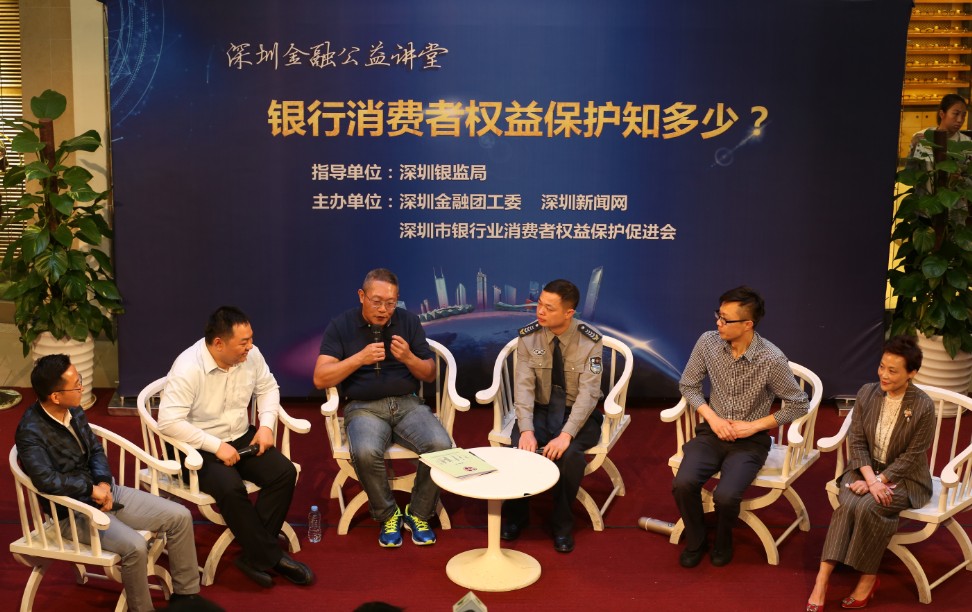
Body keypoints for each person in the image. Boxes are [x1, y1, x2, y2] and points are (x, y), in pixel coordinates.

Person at [15, 355, 222, 612]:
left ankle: (186, 596)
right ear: (55, 396)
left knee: (179, 517)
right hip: (72, 511)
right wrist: (90, 490)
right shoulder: (30, 432)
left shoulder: (74, 410)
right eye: (76, 385)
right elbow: (46, 480)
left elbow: (95, 451)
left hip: (104, 492)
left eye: (79, 380)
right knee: (135, 547)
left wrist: (103, 483)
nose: (81, 387)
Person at [158, 306, 314, 588]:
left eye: (251, 339)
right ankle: (272, 557)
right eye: (243, 342)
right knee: (230, 487)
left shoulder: (251, 355)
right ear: (219, 343)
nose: (250, 347)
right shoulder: (188, 367)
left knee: (284, 473)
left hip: (240, 435)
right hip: (194, 445)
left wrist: (266, 426)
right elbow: (168, 422)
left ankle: (254, 556)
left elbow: (268, 388)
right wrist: (215, 446)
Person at [313, 268, 453, 547]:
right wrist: (359, 359)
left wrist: (409, 357)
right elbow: (320, 378)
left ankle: (418, 513)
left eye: (390, 303)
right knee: (365, 452)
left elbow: (429, 374)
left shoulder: (408, 321)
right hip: (363, 407)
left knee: (441, 446)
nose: (383, 310)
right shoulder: (341, 325)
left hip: (407, 403)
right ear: (361, 296)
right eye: (376, 302)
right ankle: (388, 514)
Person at [673, 286, 808, 568]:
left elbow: (799, 404)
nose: (718, 323)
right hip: (712, 432)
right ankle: (696, 540)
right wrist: (712, 418)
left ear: (748, 324)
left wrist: (753, 426)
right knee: (683, 484)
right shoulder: (708, 343)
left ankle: (723, 541)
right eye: (718, 315)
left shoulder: (771, 358)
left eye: (726, 319)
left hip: (750, 440)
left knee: (725, 496)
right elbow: (688, 385)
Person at [805, 336, 934, 612]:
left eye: (893, 371)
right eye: (882, 367)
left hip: (906, 478)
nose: (883, 375)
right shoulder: (867, 393)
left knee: (869, 506)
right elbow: (857, 441)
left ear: (912, 373)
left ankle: (867, 578)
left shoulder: (923, 406)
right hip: (865, 469)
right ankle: (822, 579)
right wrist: (870, 479)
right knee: (849, 504)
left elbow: (913, 456)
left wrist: (878, 482)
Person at [500, 279, 603, 553]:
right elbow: (523, 387)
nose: (540, 311)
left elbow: (589, 395)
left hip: (577, 413)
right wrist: (526, 429)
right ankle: (516, 515)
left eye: (549, 307)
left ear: (569, 313)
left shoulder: (590, 341)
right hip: (541, 410)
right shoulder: (528, 337)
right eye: (539, 304)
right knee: (520, 450)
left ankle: (562, 523)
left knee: (570, 457)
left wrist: (566, 435)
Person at [910, 93, 970, 162]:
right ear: (942, 114)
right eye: (956, 114)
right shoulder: (921, 137)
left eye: (963, 115)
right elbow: (911, 166)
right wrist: (913, 147)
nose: (960, 120)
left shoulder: (967, 142)